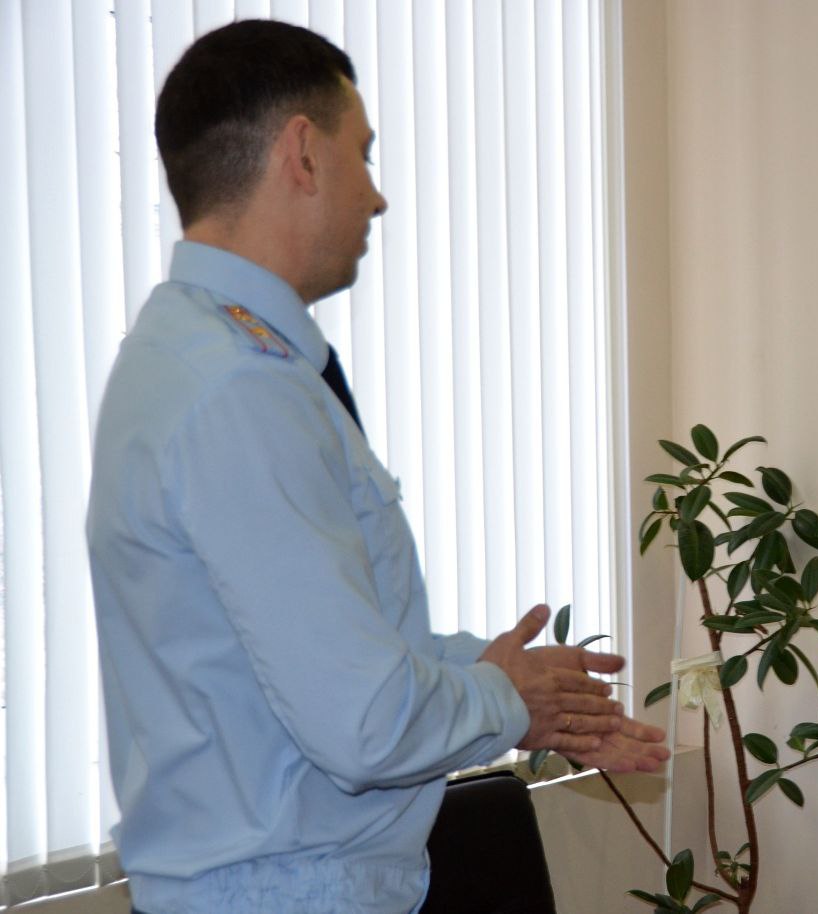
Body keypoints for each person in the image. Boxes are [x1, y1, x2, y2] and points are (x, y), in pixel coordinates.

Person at [85, 19, 667, 914]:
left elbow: (337, 650)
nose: (379, 196)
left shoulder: (197, 357)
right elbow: (362, 722)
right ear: (302, 154)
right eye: (362, 154)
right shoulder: (238, 390)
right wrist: (510, 700)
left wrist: (511, 682)